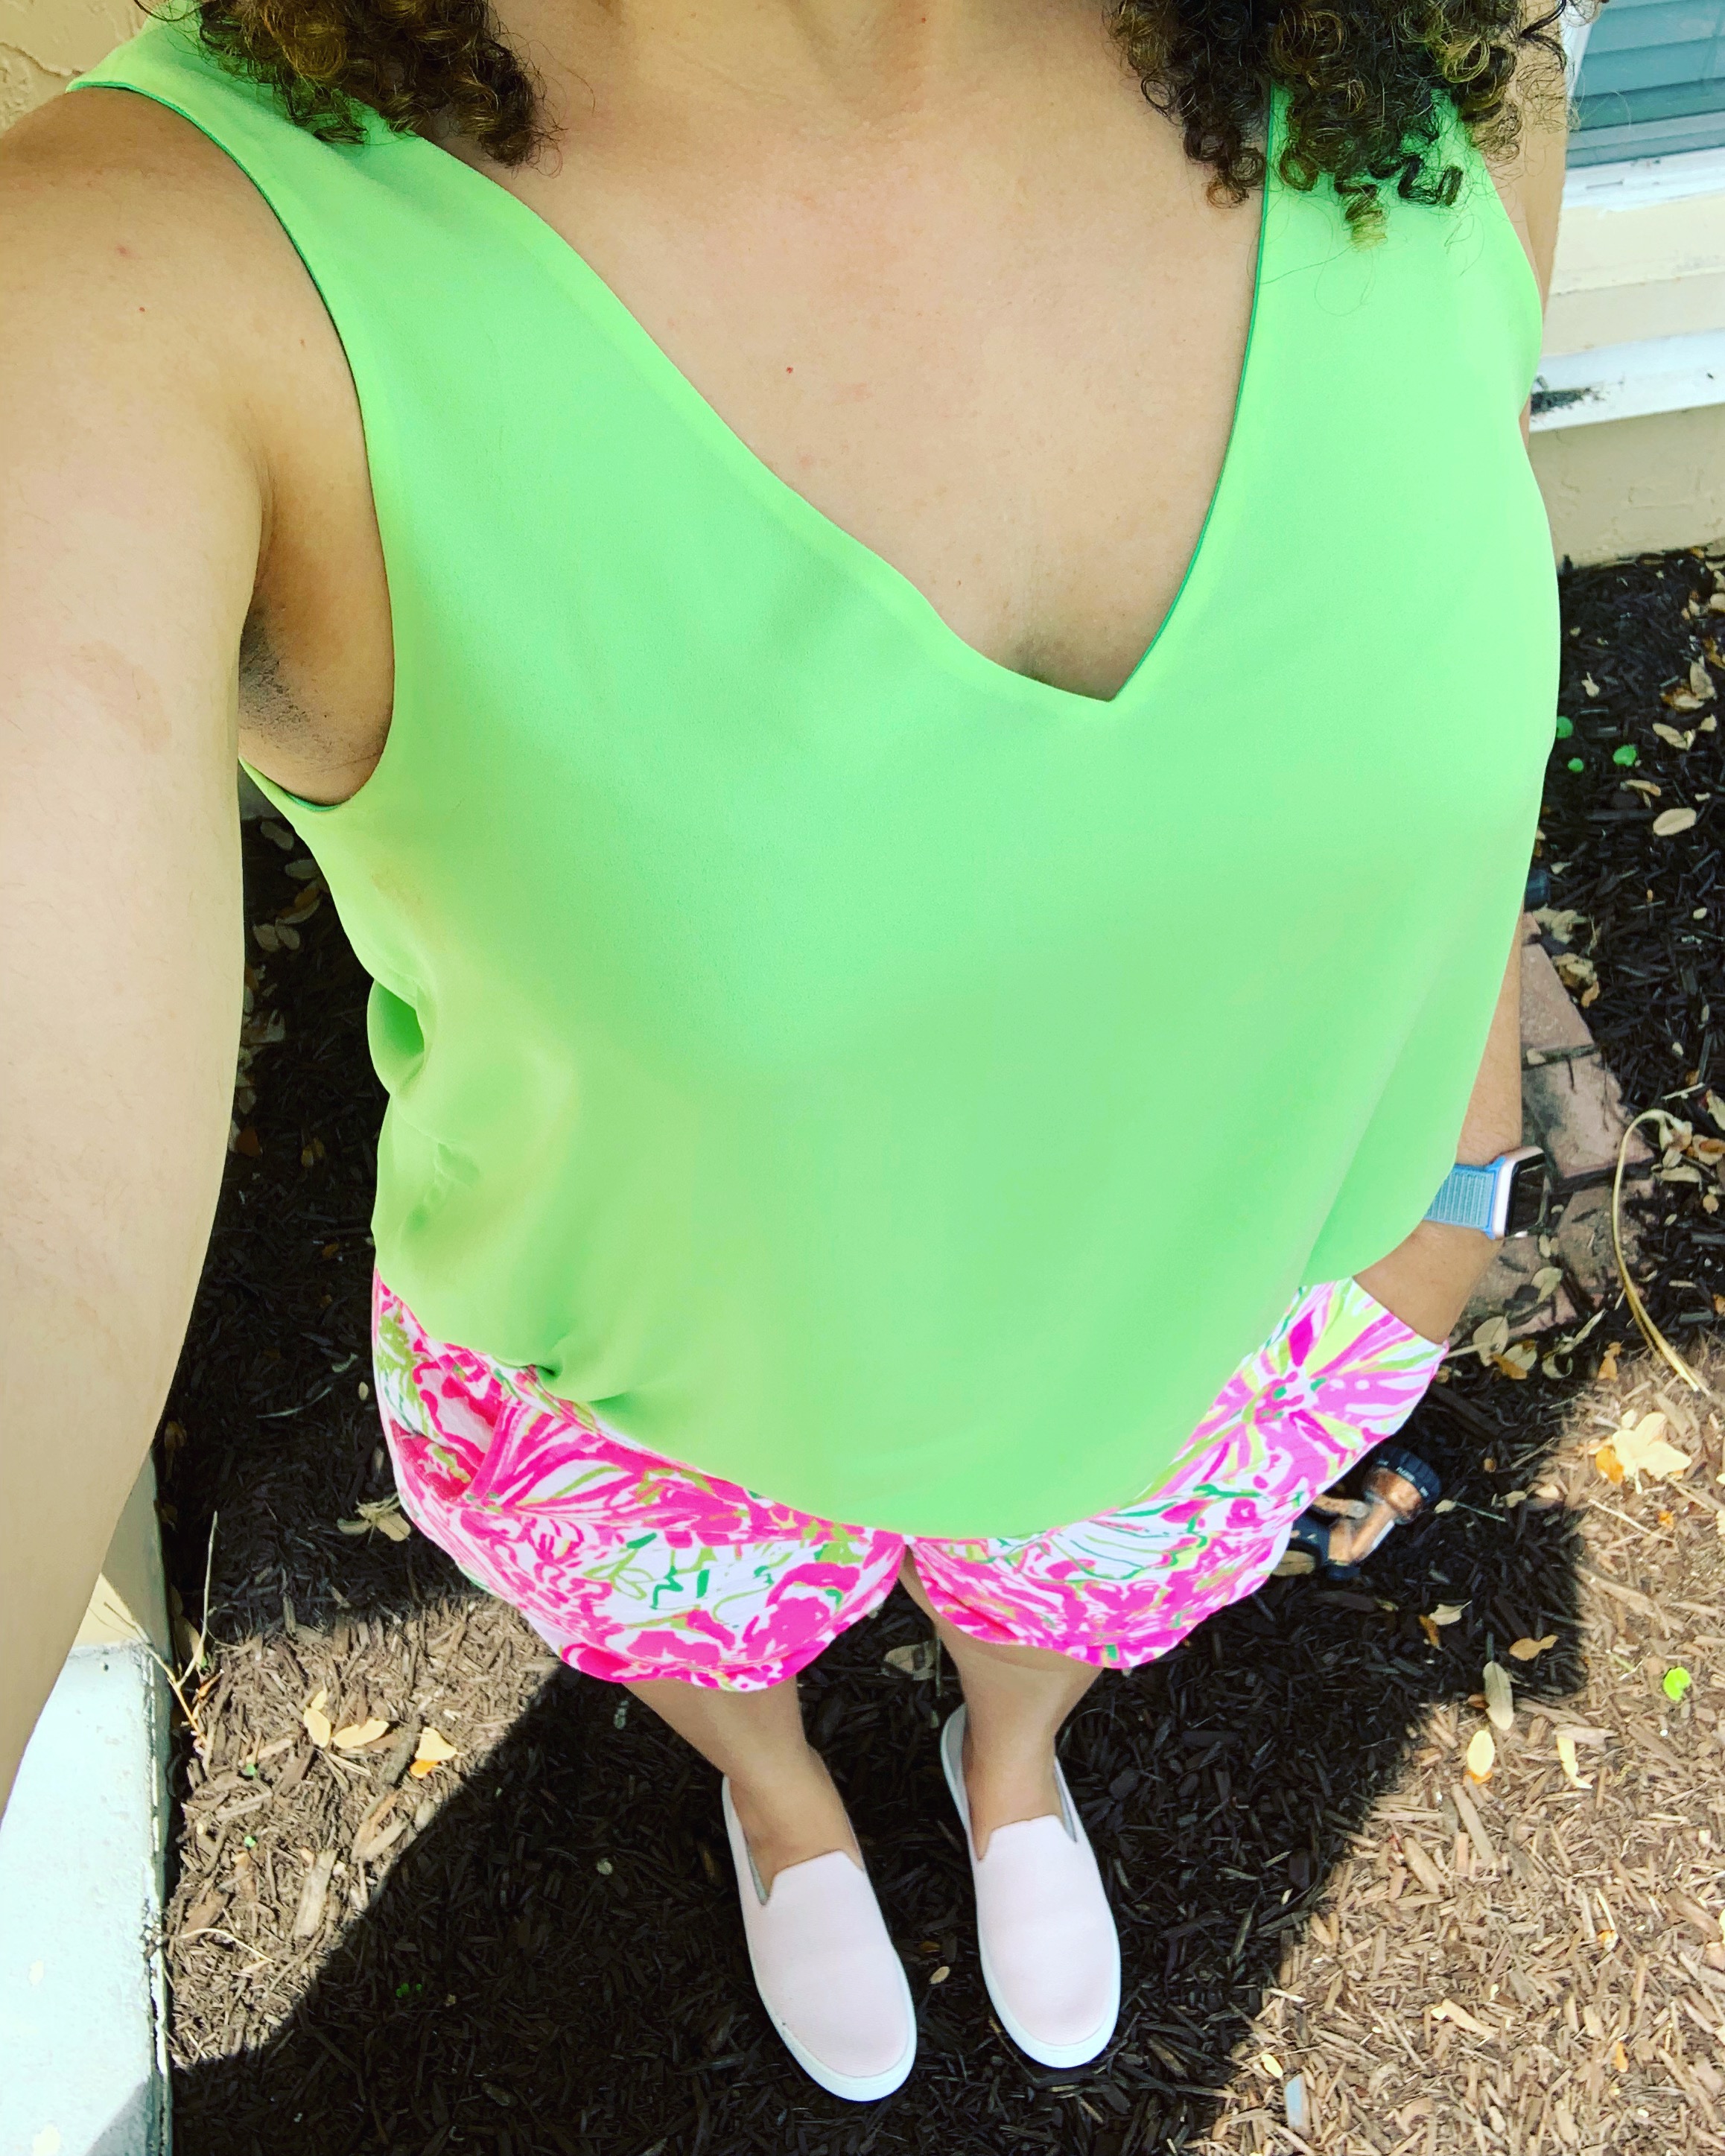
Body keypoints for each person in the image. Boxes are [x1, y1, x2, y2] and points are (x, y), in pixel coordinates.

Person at [1, 0, 1569, 2099]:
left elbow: (1436, 635)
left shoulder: (1443, 55)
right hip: (648, 1401)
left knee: (1058, 1618)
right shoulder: (142, 290)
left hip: (1238, 1337)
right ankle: (778, 1791)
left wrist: (1447, 1138)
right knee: (706, 1646)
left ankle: (1006, 1753)